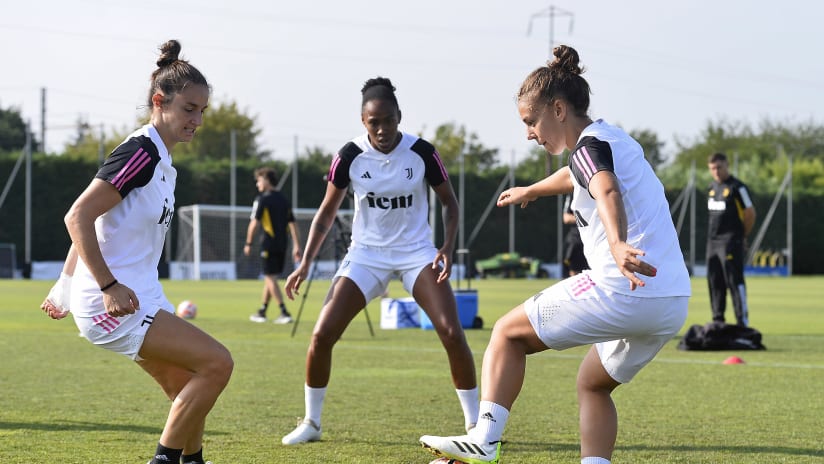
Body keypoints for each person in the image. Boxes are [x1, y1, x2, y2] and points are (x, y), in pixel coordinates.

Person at [420, 45, 691, 464]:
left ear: (559, 110)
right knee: (593, 383)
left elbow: (603, 185)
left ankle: (485, 439)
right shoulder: (612, 138)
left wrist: (617, 243)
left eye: (531, 121)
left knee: (507, 334)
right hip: (670, 300)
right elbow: (579, 175)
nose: (529, 132)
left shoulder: (588, 149)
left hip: (622, 288)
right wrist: (533, 189)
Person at [40, 40, 233, 464]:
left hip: (140, 294)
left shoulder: (163, 160)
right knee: (218, 364)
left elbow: (100, 224)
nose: (197, 120)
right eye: (188, 109)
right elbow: (78, 216)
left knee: (188, 387)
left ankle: (192, 460)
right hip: (114, 302)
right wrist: (102, 285)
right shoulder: (141, 152)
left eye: (202, 111)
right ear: (159, 102)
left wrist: (63, 286)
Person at [280, 76, 479, 445]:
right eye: (375, 122)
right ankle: (312, 423)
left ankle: (475, 426)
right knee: (322, 335)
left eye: (389, 120)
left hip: (416, 253)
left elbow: (451, 204)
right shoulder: (349, 157)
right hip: (365, 255)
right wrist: (306, 262)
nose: (383, 128)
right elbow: (326, 213)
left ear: (399, 116)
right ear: (363, 121)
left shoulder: (422, 152)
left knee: (452, 332)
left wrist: (447, 248)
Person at [244, 167, 302, 324]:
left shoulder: (262, 199)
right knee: (271, 278)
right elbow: (293, 224)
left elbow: (254, 223)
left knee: (269, 277)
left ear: (267, 180)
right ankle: (262, 311)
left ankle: (284, 312)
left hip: (268, 245)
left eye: (259, 180)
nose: (257, 184)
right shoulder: (284, 199)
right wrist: (297, 246)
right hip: (283, 245)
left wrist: (248, 243)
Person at [706, 152, 756, 327]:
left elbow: (750, 213)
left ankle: (742, 321)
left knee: (734, 280)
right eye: (713, 168)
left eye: (719, 167)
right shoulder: (712, 188)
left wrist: (742, 235)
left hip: (731, 241)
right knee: (714, 280)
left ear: (727, 165)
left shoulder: (738, 188)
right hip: (713, 242)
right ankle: (718, 319)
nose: (716, 171)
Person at [562, 193, 589, 276]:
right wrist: (587, 221)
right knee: (575, 269)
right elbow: (566, 218)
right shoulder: (573, 194)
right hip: (577, 239)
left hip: (595, 238)